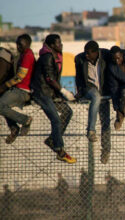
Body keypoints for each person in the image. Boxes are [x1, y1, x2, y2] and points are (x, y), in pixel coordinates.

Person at [30, 34, 76, 164]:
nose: (60, 45)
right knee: (55, 119)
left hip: (51, 92)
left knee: (68, 112)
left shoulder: (57, 56)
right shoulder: (47, 57)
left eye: (60, 42)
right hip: (42, 92)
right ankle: (60, 150)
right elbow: (50, 78)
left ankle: (52, 139)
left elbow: (54, 79)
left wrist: (61, 94)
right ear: (51, 46)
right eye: (57, 43)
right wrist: (63, 91)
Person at [75, 40, 111, 164]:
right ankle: (91, 131)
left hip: (104, 91)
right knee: (95, 97)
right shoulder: (80, 59)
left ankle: (106, 151)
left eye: (89, 53)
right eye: (85, 52)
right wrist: (79, 91)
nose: (86, 55)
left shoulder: (106, 56)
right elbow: (79, 78)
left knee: (106, 123)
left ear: (96, 53)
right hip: (89, 88)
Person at [0, 34, 34, 144]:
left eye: (20, 44)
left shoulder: (28, 55)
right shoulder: (24, 54)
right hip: (18, 89)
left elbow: (19, 77)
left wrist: (5, 86)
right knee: (3, 105)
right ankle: (14, 127)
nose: (18, 47)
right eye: (17, 44)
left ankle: (25, 120)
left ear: (28, 44)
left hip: (22, 91)